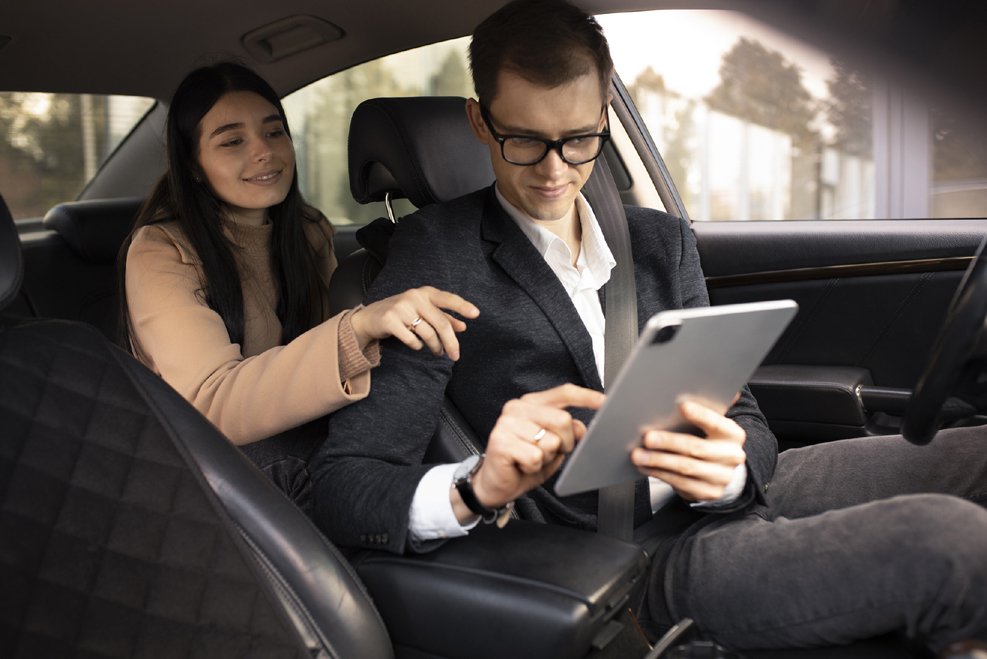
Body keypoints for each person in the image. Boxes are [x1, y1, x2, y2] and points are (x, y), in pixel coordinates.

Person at [310, 1, 987, 653]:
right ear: (479, 122)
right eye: (525, 140)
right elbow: (345, 486)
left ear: (605, 115)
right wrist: (474, 485)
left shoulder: (658, 242)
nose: (554, 170)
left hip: (724, 495)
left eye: (579, 139)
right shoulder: (433, 258)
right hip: (627, 558)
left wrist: (731, 471)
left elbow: (744, 413)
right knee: (952, 543)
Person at [120, 62, 478, 510]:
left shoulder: (308, 231)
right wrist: (357, 329)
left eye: (274, 132)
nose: (264, 152)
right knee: (351, 479)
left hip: (296, 434)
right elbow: (209, 403)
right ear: (193, 165)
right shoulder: (162, 251)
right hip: (202, 465)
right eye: (232, 141)